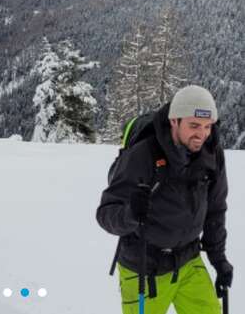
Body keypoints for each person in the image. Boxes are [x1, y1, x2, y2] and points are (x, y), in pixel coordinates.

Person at [96, 85, 233, 314]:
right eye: (194, 125)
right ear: (174, 121)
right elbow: (106, 213)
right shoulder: (143, 154)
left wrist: (218, 259)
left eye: (208, 126)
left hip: (189, 261)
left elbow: (215, 210)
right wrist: (130, 213)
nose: (202, 134)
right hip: (144, 266)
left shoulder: (212, 154)